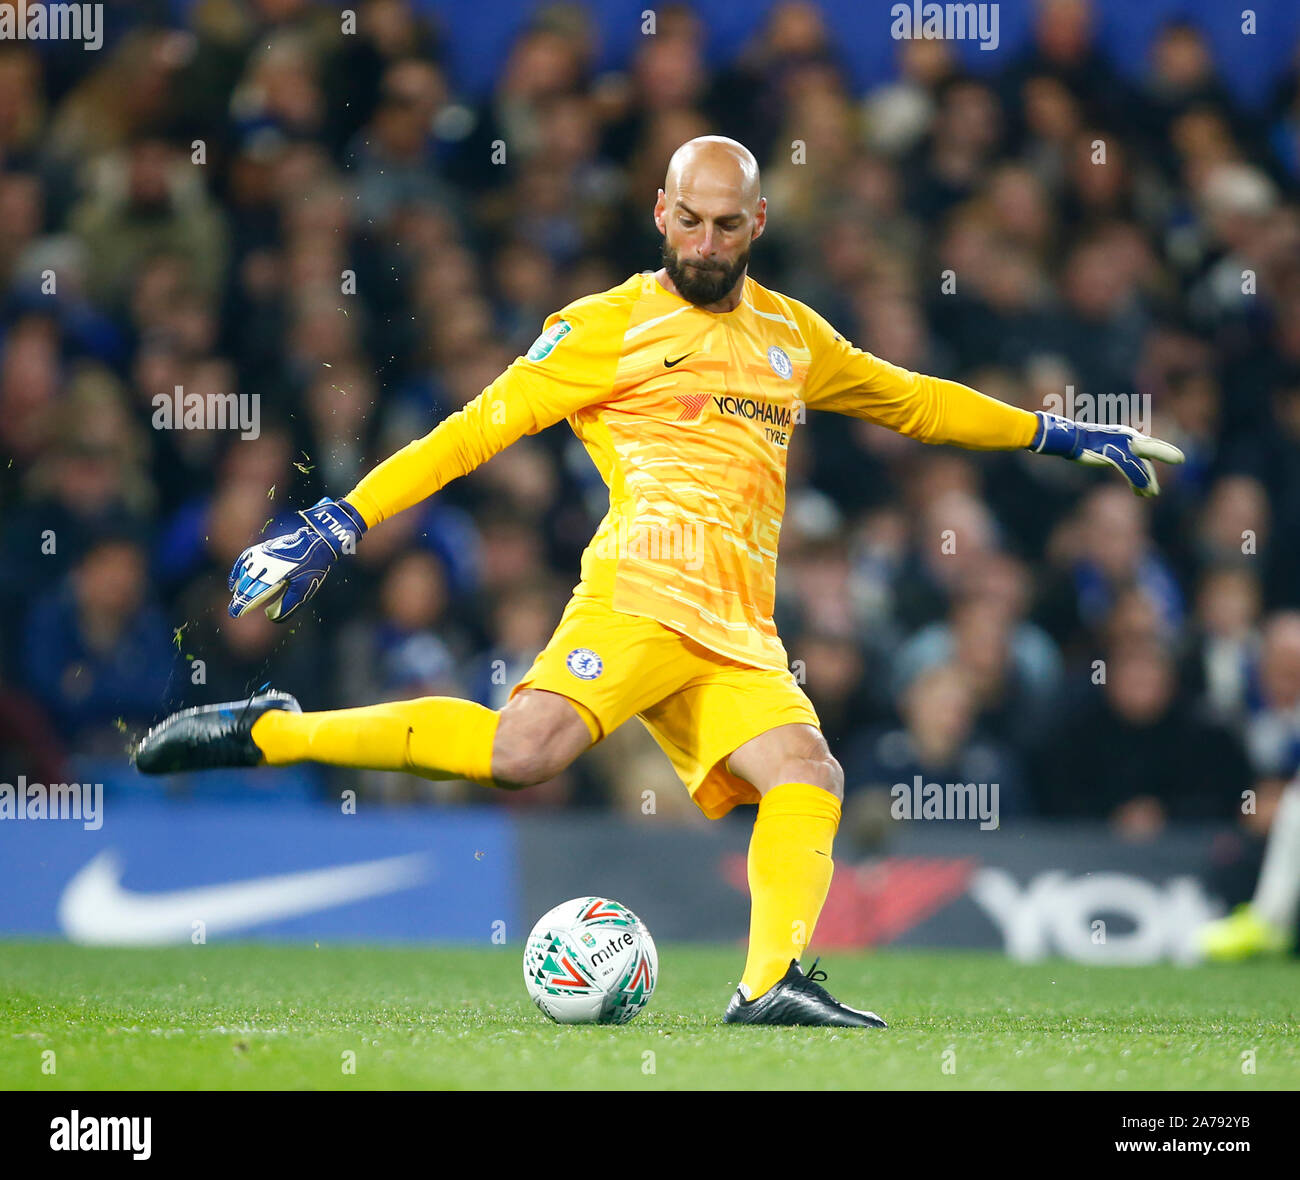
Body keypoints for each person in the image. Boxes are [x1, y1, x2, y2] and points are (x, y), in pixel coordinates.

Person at [134, 136, 1183, 1026]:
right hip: (638, 592)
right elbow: (472, 431)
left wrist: (1051, 430)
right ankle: (274, 729)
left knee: (808, 776)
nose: (706, 244)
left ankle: (768, 980)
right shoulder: (605, 327)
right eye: (689, 221)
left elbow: (912, 401)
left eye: (727, 226)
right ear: (659, 211)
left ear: (758, 221)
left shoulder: (789, 335)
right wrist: (337, 518)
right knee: (520, 753)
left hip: (737, 626)